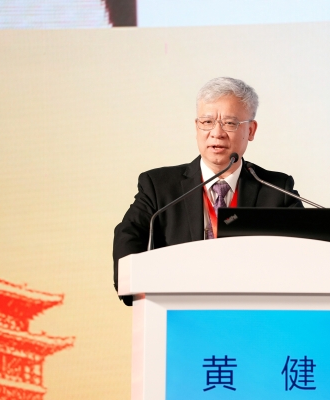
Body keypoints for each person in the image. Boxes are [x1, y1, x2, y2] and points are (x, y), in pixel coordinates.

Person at [113, 77, 302, 305]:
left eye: (230, 123)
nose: (217, 133)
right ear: (196, 127)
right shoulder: (159, 186)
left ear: (251, 130)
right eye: (207, 122)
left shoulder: (277, 189)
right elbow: (129, 236)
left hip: (255, 314)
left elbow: (307, 250)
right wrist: (138, 291)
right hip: (178, 314)